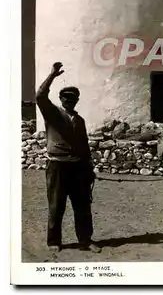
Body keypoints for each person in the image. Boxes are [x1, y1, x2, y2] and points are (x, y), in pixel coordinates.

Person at [36, 62, 101, 254]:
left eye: (73, 99)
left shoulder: (79, 120)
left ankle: (85, 240)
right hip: (58, 166)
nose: (69, 101)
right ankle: (53, 241)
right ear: (61, 99)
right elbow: (40, 96)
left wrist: (89, 169)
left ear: (77, 100)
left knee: (82, 206)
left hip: (79, 168)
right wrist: (52, 76)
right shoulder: (53, 113)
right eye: (66, 98)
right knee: (57, 205)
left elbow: (84, 145)